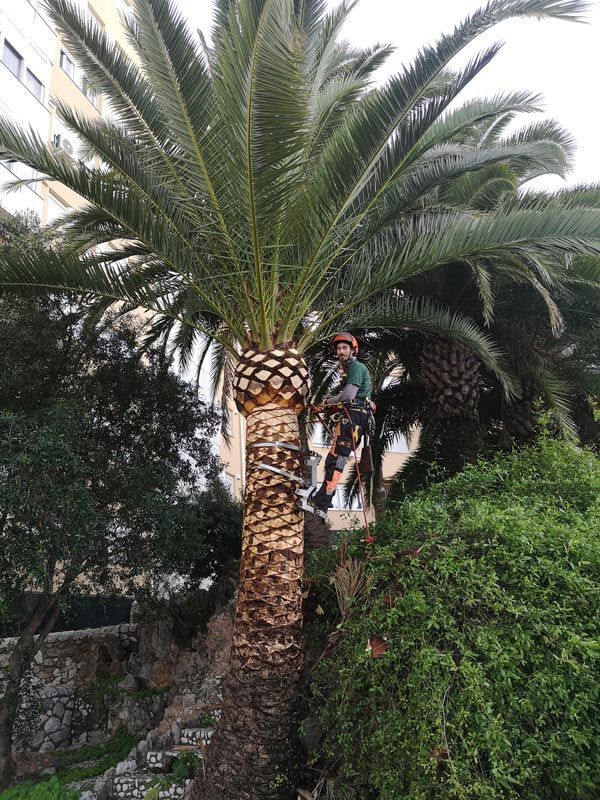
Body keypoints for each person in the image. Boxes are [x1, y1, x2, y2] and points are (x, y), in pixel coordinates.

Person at [309, 332, 373, 517]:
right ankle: (322, 499)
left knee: (337, 461)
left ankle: (323, 502)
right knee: (334, 460)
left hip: (352, 419)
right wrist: (325, 408)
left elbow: (348, 397)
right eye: (338, 348)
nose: (340, 351)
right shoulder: (349, 370)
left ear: (353, 350)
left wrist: (327, 403)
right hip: (354, 418)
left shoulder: (357, 367)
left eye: (345, 348)